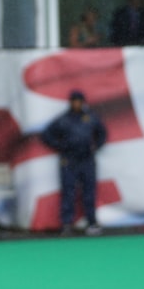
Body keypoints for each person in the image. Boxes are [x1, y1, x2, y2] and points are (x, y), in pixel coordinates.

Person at [40, 90, 108, 235]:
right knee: (68, 192)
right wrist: (61, 146)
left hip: (86, 159)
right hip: (69, 159)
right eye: (74, 101)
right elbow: (46, 135)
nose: (76, 104)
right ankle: (66, 223)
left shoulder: (90, 117)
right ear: (71, 102)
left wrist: (96, 146)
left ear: (83, 102)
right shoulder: (64, 119)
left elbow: (102, 133)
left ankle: (92, 222)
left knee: (89, 192)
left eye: (79, 101)